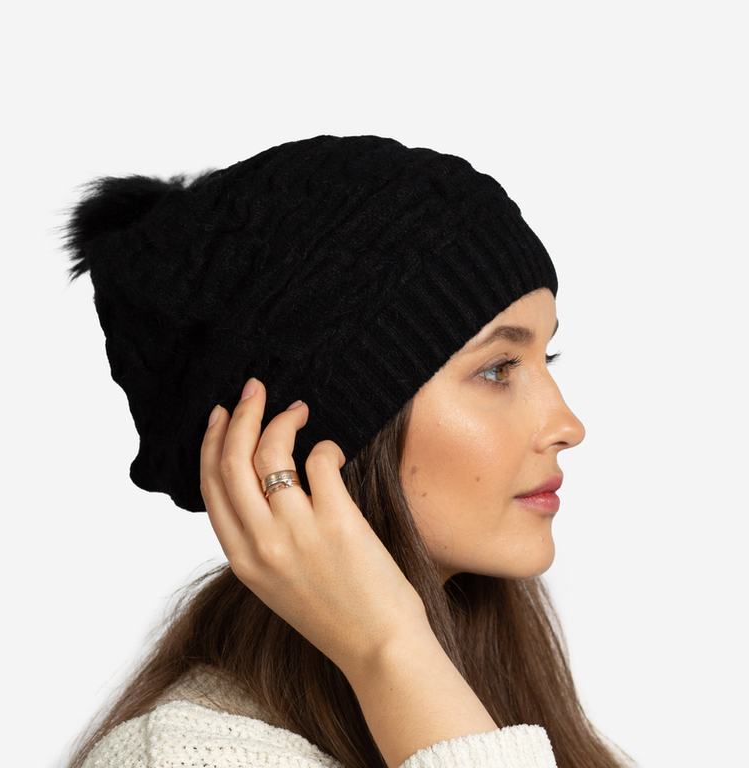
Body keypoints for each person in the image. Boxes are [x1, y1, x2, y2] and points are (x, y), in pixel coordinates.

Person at [65, 135, 630, 768]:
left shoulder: (497, 677)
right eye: (498, 369)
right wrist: (391, 647)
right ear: (302, 440)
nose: (567, 425)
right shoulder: (185, 758)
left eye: (547, 356)